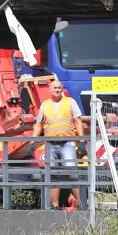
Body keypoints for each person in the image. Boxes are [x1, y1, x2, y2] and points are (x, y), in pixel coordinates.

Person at [31, 78, 84, 209]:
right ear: (50, 89)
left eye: (59, 88)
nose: (57, 90)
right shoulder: (45, 105)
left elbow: (78, 121)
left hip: (67, 143)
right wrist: (33, 140)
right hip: (51, 143)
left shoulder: (70, 102)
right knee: (54, 175)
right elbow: (39, 124)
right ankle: (54, 205)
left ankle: (81, 204)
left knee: (72, 173)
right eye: (55, 88)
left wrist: (81, 140)